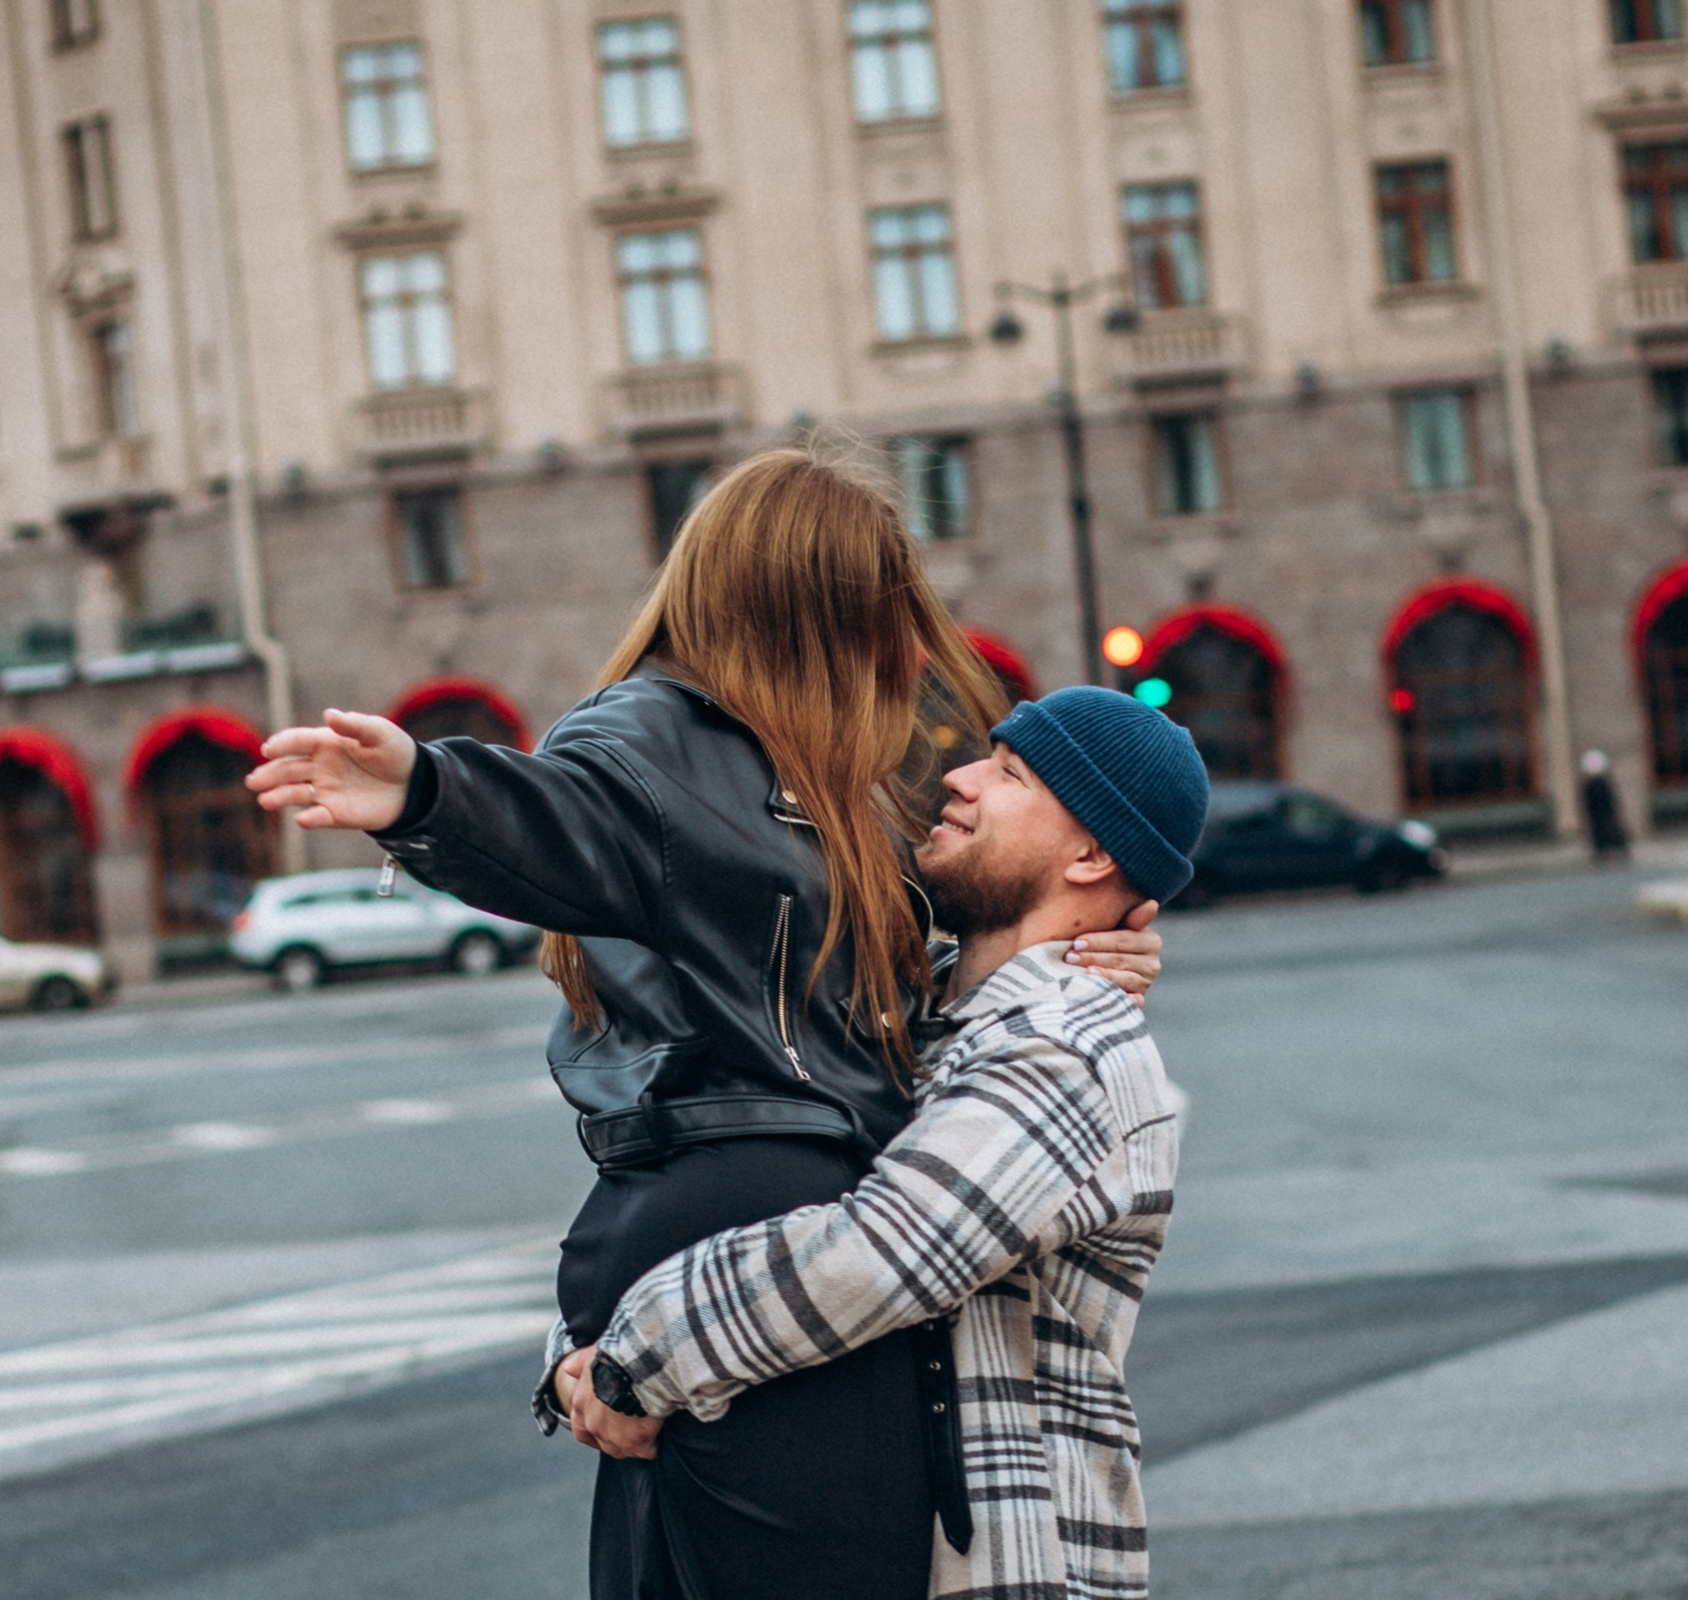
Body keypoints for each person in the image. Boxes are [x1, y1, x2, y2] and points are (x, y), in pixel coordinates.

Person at [244, 448, 1162, 1600]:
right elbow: (570, 819)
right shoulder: (664, 743)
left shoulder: (804, 784)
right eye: (892, 615)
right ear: (813, 611)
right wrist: (429, 794)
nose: (917, 656)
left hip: (692, 1263)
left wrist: (1073, 950)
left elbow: (860, 982)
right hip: (748, 1265)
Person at [555, 687, 1211, 1600]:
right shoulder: (916, 1016)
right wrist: (582, 1346)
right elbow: (739, 1178)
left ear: (1093, 853)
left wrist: (635, 1356)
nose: (960, 777)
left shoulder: (1071, 1047)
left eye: (1010, 774)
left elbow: (885, 1251)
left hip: (996, 1571)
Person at [1580, 749, 1628, 864]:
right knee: (1601, 830)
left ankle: (1613, 850)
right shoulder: (1592, 786)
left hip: (1605, 814)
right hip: (1598, 815)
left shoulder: (1600, 784)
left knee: (1609, 829)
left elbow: (1611, 801)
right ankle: (1605, 851)